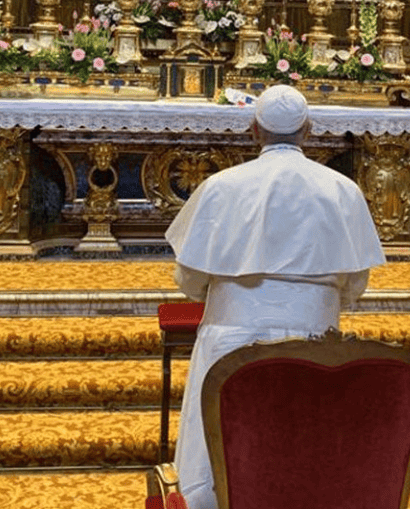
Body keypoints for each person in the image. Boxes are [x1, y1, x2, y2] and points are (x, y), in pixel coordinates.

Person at [165, 85, 385, 509]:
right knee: (303, 438)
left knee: (222, 443)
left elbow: (189, 278)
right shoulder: (342, 190)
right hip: (318, 341)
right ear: (309, 129)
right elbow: (356, 284)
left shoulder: (221, 187)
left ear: (253, 131)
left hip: (231, 338)